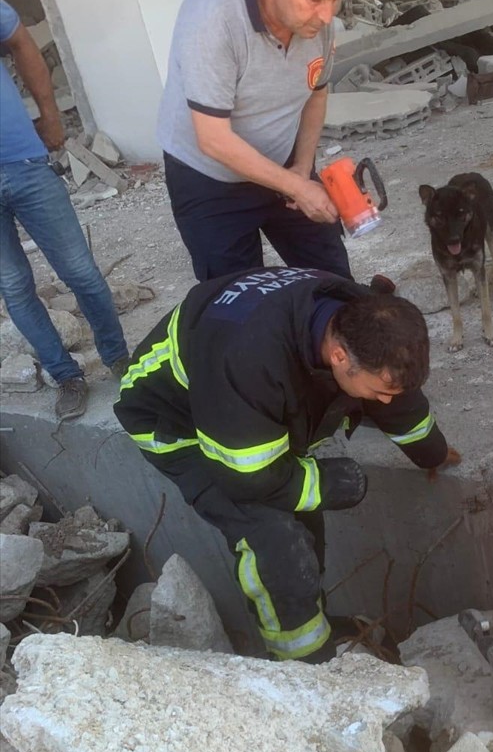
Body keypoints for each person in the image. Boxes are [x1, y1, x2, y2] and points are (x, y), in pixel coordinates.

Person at [114, 266, 458, 660]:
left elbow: (396, 394)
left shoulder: (363, 318)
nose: (384, 400)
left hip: (240, 408)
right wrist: (326, 484)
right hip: (177, 421)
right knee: (273, 538)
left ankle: (315, 619)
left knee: (304, 519)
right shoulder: (249, 358)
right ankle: (303, 663)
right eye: (378, 391)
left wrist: (432, 452)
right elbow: (250, 476)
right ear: (339, 356)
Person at [157, 0, 357, 283]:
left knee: (332, 281)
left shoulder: (318, 23)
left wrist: (302, 168)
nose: (327, 16)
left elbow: (316, 93)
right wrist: (297, 187)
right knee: (238, 299)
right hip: (209, 179)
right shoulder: (212, 18)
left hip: (284, 161)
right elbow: (213, 139)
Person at [0, 0, 129, 421]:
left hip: (22, 161)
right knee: (14, 287)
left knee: (80, 271)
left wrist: (50, 113)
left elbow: (21, 42)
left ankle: (118, 358)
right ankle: (66, 375)